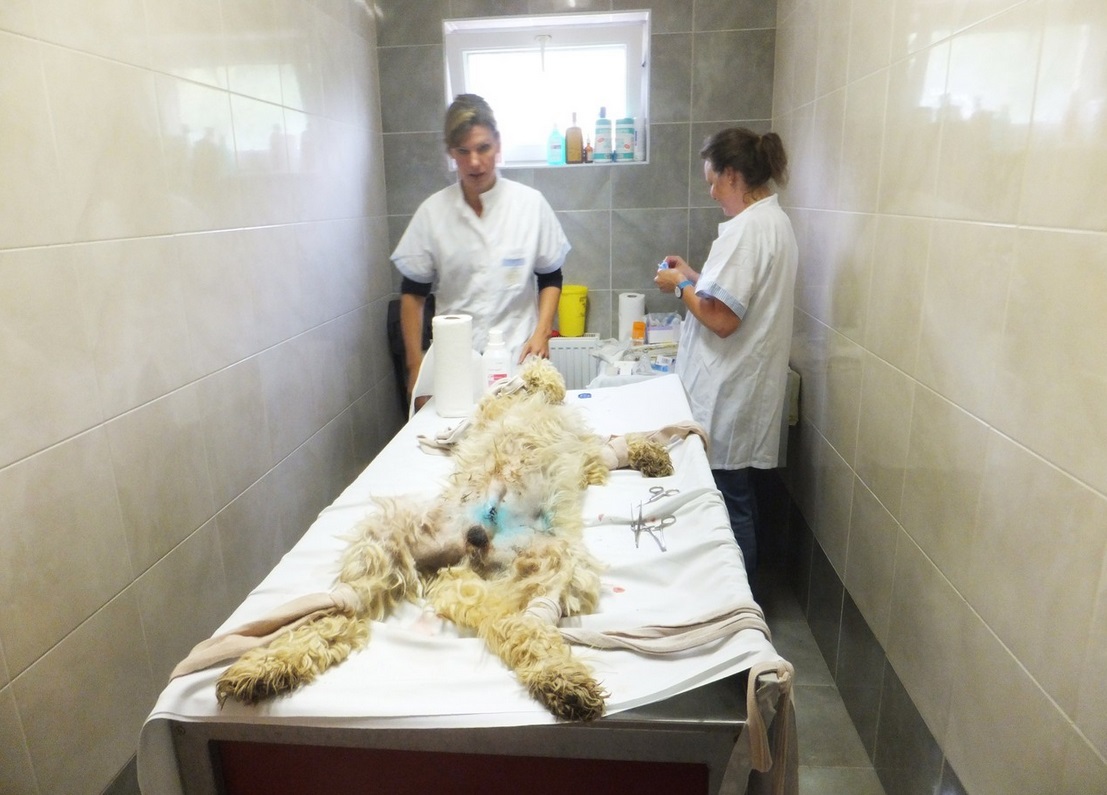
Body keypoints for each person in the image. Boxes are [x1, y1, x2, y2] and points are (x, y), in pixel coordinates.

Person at [653, 128, 797, 582]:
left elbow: (721, 319)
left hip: (730, 393)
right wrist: (694, 275)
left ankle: (738, 603)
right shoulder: (773, 222)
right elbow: (731, 297)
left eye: (714, 181)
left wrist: (679, 285)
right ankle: (740, 595)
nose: (712, 192)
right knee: (736, 499)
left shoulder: (748, 230)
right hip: (742, 387)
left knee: (730, 507)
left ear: (733, 175)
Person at [391, 94, 570, 405]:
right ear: (451, 152)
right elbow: (413, 293)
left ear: (498, 145)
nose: (474, 162)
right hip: (456, 363)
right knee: (455, 433)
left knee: (522, 433)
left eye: (483, 148)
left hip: (518, 356)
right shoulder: (433, 213)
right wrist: (416, 366)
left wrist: (542, 333)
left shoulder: (529, 205)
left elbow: (551, 276)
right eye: (463, 151)